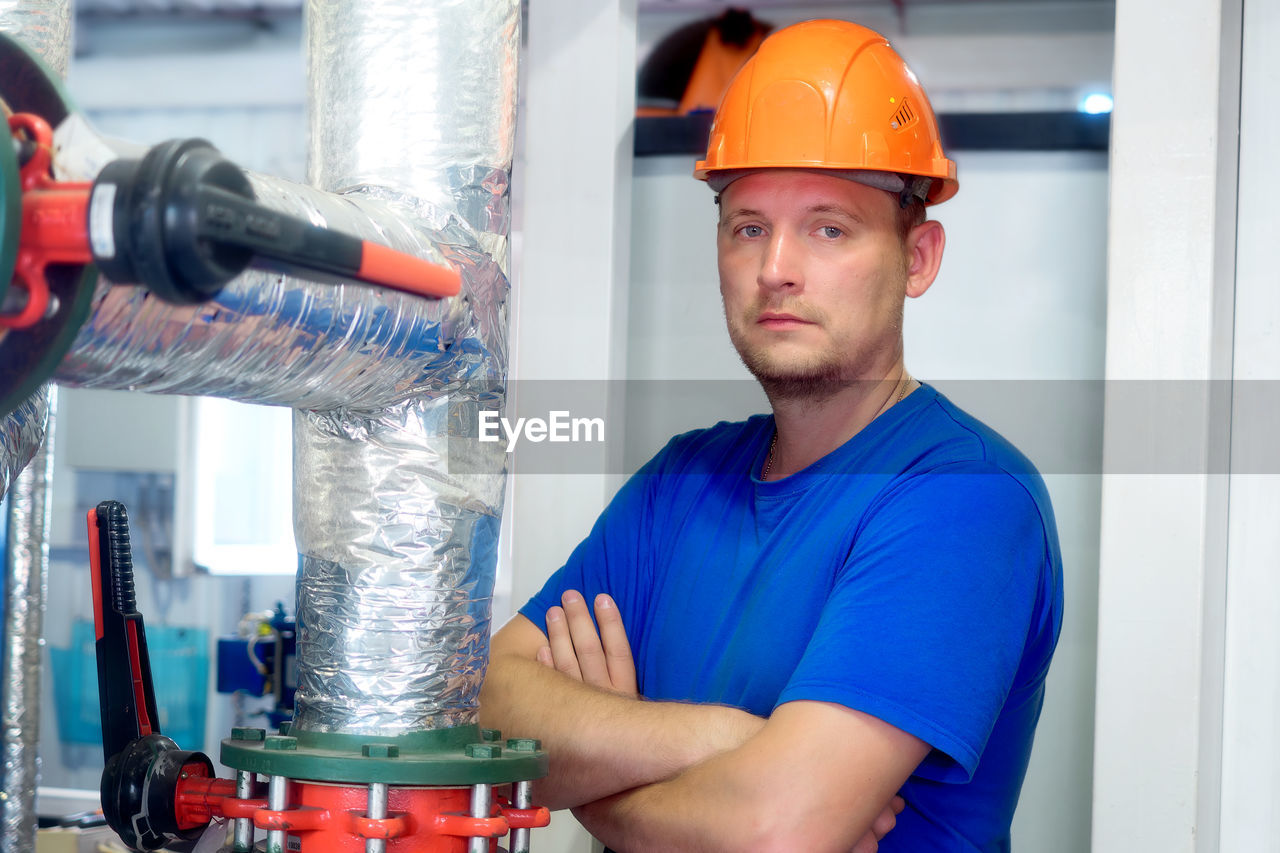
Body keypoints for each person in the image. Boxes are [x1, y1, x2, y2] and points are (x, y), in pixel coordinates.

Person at [480, 18, 1064, 852]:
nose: (777, 267)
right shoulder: (679, 481)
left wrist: (596, 790)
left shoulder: (963, 497)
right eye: (749, 226)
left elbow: (775, 830)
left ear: (920, 256)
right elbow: (490, 719)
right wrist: (726, 740)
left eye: (829, 227)